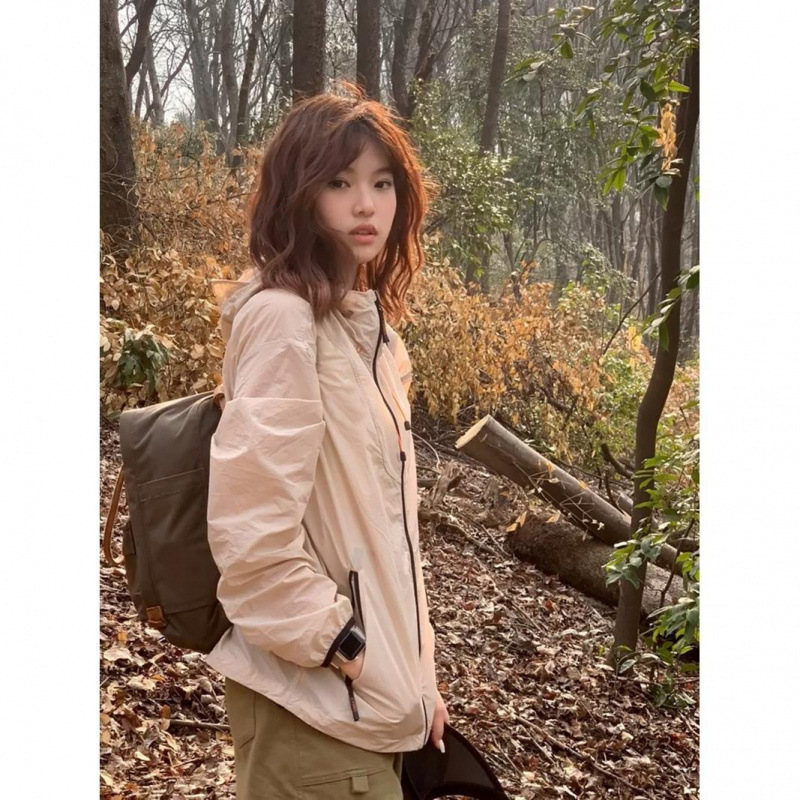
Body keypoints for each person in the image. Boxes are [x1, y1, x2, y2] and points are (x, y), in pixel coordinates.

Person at [204, 80, 450, 799]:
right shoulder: (284, 320)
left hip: (367, 710)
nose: (365, 204)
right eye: (339, 182)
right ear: (300, 194)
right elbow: (251, 538)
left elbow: (384, 538)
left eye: (381, 182)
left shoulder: (370, 335)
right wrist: (348, 650)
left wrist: (418, 684)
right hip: (311, 709)